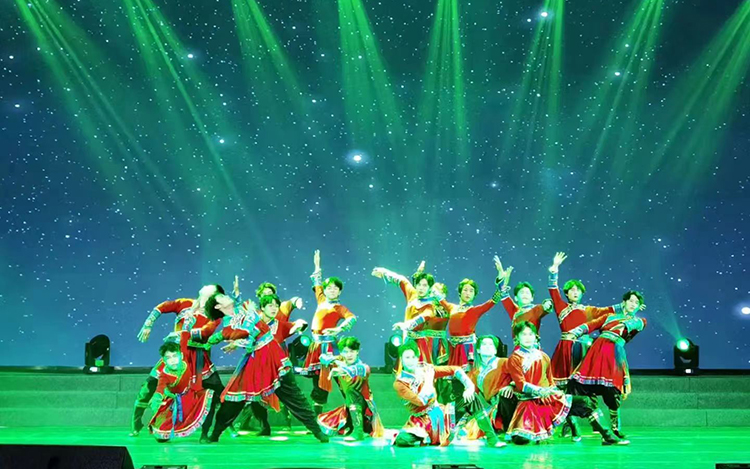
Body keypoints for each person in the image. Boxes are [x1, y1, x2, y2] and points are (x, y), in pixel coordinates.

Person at [200, 293, 328, 443]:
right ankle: (215, 434)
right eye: (221, 297)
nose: (226, 296)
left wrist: (237, 337)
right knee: (234, 400)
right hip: (255, 361)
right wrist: (222, 338)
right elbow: (244, 335)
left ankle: (317, 431)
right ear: (218, 306)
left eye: (275, 305)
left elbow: (251, 331)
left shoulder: (244, 308)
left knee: (293, 396)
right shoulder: (229, 324)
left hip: (274, 357)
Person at [130, 281, 233, 440]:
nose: (205, 289)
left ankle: (216, 428)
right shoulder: (185, 304)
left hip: (197, 358)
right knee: (149, 387)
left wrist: (181, 334)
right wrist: (148, 324)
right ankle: (136, 422)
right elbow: (162, 307)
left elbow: (205, 332)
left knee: (216, 392)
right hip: (175, 356)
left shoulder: (214, 316)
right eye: (205, 289)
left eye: (209, 291)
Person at [392, 342, 506, 448]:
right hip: (421, 421)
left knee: (472, 398)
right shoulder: (400, 383)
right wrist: (428, 379)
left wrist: (469, 387)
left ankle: (492, 439)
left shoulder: (426, 369)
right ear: (401, 359)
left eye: (413, 357)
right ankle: (427, 437)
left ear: (417, 358)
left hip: (441, 415)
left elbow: (455, 369)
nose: (411, 361)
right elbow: (421, 401)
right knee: (403, 440)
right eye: (407, 357)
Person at [569, 290, 647, 440]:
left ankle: (615, 429)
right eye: (631, 301)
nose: (633, 304)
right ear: (624, 302)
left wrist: (625, 318)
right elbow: (591, 324)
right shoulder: (609, 317)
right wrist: (575, 332)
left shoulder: (640, 321)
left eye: (636, 303)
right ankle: (578, 423)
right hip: (596, 352)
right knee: (578, 385)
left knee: (612, 389)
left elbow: (629, 325)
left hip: (614, 353)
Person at [302, 250, 357, 415]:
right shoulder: (321, 300)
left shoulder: (339, 308)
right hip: (316, 347)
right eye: (329, 288)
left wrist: (339, 328)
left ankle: (356, 415)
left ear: (339, 292)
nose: (332, 290)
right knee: (318, 383)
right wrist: (317, 266)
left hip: (330, 348)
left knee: (342, 379)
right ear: (325, 291)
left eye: (335, 288)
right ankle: (318, 419)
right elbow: (317, 282)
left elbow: (352, 318)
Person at [317, 337, 384, 441]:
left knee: (351, 393)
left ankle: (358, 432)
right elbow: (322, 357)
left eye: (352, 351)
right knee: (325, 423)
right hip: (348, 409)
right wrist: (335, 361)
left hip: (365, 410)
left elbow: (359, 370)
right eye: (345, 352)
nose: (349, 355)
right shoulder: (340, 361)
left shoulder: (362, 367)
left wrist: (342, 370)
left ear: (357, 352)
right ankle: (353, 428)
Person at [148, 341, 214, 442]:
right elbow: (159, 389)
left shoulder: (187, 361)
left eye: (175, 356)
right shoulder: (164, 375)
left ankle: (204, 434)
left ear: (181, 355)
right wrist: (156, 399)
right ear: (164, 361)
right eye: (168, 358)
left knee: (209, 396)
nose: (172, 360)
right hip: (177, 401)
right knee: (162, 436)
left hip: (193, 394)